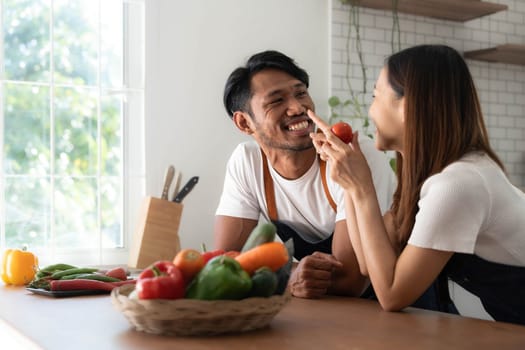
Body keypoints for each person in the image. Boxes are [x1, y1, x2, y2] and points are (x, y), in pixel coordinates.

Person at [309, 44, 525, 324]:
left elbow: (392, 295)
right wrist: (351, 187)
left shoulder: (458, 184)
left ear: (407, 106)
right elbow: (368, 265)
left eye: (375, 96)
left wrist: (362, 189)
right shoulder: (435, 178)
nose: (370, 110)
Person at [214, 50, 396, 298]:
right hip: (333, 313)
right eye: (276, 101)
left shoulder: (352, 155)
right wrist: (290, 277)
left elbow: (350, 280)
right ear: (245, 123)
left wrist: (281, 274)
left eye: (301, 93)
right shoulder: (248, 162)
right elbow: (224, 263)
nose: (298, 107)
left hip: (406, 309)